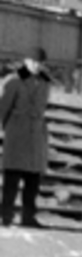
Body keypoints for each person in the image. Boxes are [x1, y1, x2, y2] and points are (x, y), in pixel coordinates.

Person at [0, 47, 51, 228]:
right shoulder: (14, 81)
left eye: (41, 63)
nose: (37, 66)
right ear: (26, 61)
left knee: (32, 181)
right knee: (12, 180)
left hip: (35, 136)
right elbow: (3, 109)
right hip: (17, 134)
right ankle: (5, 216)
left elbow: (43, 108)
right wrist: (8, 129)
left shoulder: (45, 83)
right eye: (34, 62)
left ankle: (28, 217)